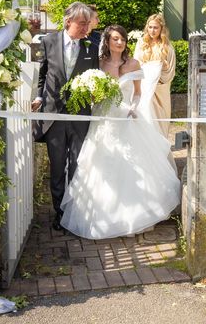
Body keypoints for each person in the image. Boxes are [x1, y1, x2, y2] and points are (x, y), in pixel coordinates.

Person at [60, 25, 180, 239]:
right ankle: (103, 217)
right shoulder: (98, 64)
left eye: (122, 39)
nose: (119, 42)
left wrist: (133, 107)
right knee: (101, 166)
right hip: (104, 120)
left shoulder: (133, 63)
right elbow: (93, 96)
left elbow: (137, 94)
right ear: (107, 42)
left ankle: (136, 216)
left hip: (127, 118)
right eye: (115, 39)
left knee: (134, 165)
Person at [31, 2, 100, 232]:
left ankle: (75, 212)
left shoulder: (92, 45)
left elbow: (96, 76)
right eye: (82, 24)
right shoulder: (49, 42)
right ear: (68, 21)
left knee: (77, 165)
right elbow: (42, 75)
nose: (85, 29)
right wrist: (39, 98)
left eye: (88, 24)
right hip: (54, 116)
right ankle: (60, 213)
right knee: (58, 167)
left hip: (80, 115)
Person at [134, 14, 176, 137]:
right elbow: (136, 65)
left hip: (160, 89)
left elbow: (171, 71)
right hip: (144, 88)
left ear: (161, 28)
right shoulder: (141, 44)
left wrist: (162, 68)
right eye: (150, 27)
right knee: (145, 119)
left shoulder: (167, 47)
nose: (152, 30)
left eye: (155, 28)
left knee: (160, 122)